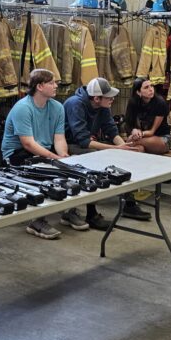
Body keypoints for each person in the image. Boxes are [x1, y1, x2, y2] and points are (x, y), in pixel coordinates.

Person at [2, 68, 82, 240]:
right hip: (18, 153)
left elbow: (59, 138)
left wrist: (64, 157)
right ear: (39, 86)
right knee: (42, 175)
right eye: (52, 82)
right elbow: (28, 143)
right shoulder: (23, 108)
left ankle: (69, 212)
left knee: (74, 170)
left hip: (44, 150)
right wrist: (54, 158)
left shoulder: (57, 107)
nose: (56, 86)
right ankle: (36, 222)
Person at [63, 77, 151, 230]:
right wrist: (114, 149)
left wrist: (125, 148)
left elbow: (111, 130)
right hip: (69, 144)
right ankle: (91, 214)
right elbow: (82, 140)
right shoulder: (75, 104)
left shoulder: (103, 106)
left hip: (87, 143)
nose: (113, 98)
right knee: (95, 159)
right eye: (109, 96)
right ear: (96, 98)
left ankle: (128, 203)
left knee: (123, 155)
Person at [124, 76, 170, 155]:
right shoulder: (133, 102)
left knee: (131, 142)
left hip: (161, 139)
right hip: (142, 139)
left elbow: (152, 131)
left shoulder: (160, 103)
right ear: (138, 92)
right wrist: (133, 130)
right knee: (138, 149)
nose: (151, 89)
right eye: (146, 87)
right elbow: (128, 124)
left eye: (151, 86)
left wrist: (140, 134)